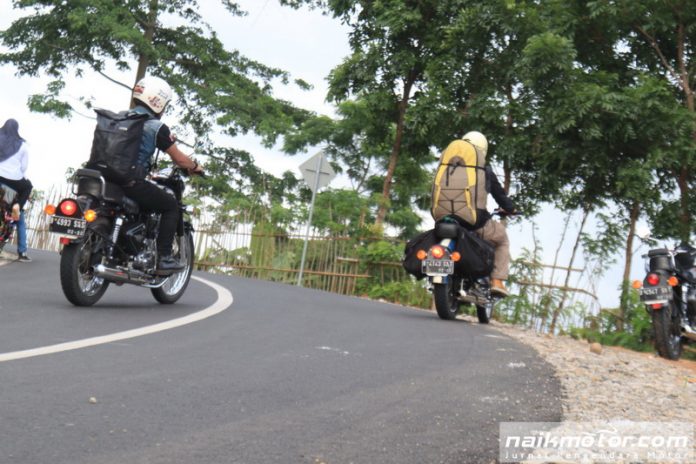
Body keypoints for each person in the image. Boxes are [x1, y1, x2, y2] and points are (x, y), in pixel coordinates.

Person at [117, 76, 203, 273]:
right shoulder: (155, 127)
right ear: (158, 101)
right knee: (170, 205)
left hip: (104, 176)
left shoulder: (119, 117)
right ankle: (164, 258)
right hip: (130, 181)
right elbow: (180, 160)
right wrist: (195, 166)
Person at [460, 131, 516, 297]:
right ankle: (497, 280)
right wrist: (510, 208)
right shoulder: (484, 170)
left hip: (444, 218)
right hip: (473, 222)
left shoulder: (447, 166)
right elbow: (500, 196)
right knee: (502, 238)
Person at [0, 118, 33, 261]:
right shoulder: (23, 145)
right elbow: (24, 167)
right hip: (12, 184)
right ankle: (22, 252)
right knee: (27, 187)